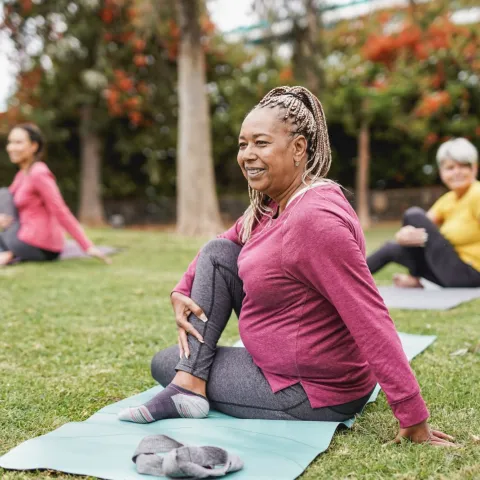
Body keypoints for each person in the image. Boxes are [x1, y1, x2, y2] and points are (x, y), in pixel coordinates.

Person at [119, 86, 453, 446]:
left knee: (164, 362)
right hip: (285, 369)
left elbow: (369, 316)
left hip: (310, 391)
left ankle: (188, 384)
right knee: (218, 254)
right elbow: (222, 243)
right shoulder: (273, 205)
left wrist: (413, 416)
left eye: (260, 143)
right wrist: (181, 289)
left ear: (297, 149)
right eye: (242, 144)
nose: (247, 154)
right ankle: (190, 383)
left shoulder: (314, 220)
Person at [367, 138, 480, 288]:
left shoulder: (477, 194)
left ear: (474, 168)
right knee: (392, 248)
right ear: (442, 172)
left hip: (470, 273)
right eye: (450, 167)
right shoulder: (448, 200)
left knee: (413, 214)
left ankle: (416, 278)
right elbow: (423, 225)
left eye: (463, 166)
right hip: (450, 271)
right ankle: (346, 278)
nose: (456, 172)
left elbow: (416, 219)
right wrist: (404, 234)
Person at [0, 123, 110, 266]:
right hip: (22, 235)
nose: (11, 147)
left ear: (34, 146)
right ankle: (9, 253)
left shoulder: (39, 173)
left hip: (39, 244)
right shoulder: (22, 175)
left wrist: (87, 246)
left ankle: (10, 253)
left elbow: (60, 210)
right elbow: (6, 199)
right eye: (10, 142)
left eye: (18, 142)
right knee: (3, 193)